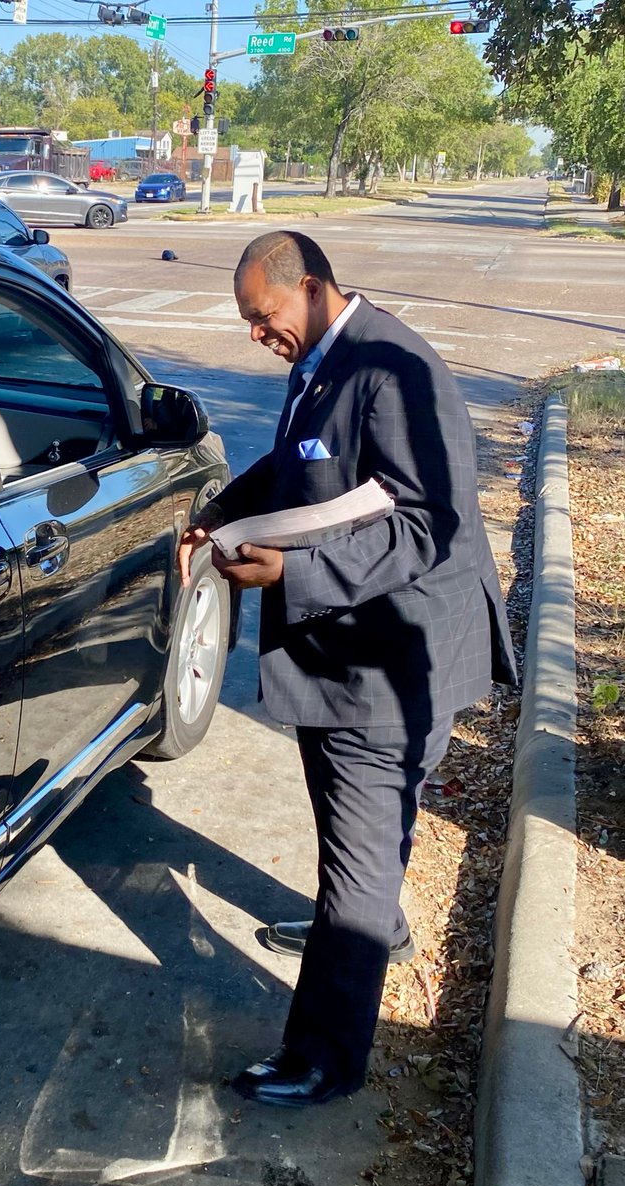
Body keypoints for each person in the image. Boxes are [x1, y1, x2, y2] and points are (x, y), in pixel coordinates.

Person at [178, 231, 515, 1108]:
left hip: (391, 662)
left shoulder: (397, 369)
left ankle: (324, 1059)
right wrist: (217, 513)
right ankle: (375, 927)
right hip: (351, 651)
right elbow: (293, 463)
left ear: (315, 286)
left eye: (266, 317)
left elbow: (427, 523)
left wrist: (295, 571)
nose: (259, 335)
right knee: (357, 839)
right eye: (251, 322)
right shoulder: (324, 354)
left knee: (357, 860)